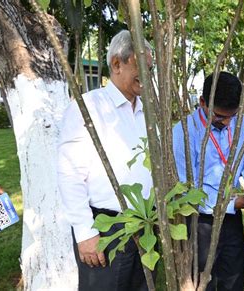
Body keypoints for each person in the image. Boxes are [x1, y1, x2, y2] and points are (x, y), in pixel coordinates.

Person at [57, 30, 154, 291]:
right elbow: (70, 173)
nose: (148, 77)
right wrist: (85, 232)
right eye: (142, 68)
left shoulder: (146, 112)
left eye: (150, 69)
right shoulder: (87, 107)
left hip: (144, 229)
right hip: (105, 231)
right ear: (116, 64)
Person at [173, 72, 244, 291]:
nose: (227, 122)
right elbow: (185, 190)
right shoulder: (184, 132)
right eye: (220, 117)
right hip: (199, 221)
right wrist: (233, 203)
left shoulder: (239, 124)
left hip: (231, 220)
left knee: (232, 279)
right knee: (203, 281)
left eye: (232, 116)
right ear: (203, 102)